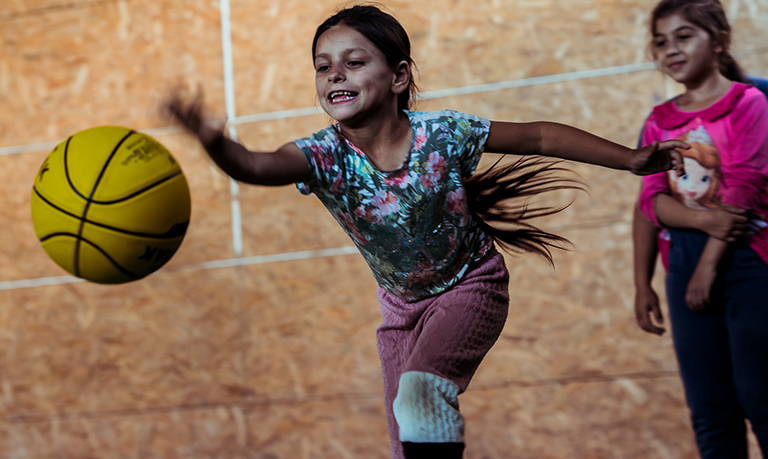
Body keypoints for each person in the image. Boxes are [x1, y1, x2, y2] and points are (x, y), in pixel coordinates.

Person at [164, 5, 685, 459]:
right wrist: (213, 139)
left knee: (419, 394)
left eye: (353, 61)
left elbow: (541, 135)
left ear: (398, 76)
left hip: (470, 286)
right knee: (405, 436)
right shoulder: (323, 156)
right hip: (401, 310)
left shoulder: (443, 134)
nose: (334, 75)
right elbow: (255, 166)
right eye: (323, 66)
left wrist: (632, 158)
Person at [631, 0, 768, 457]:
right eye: (661, 41)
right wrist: (642, 283)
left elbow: (745, 189)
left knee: (761, 395)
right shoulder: (658, 122)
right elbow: (651, 201)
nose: (671, 48)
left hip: (747, 260)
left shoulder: (749, 103)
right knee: (711, 410)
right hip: (683, 263)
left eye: (684, 36)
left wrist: (709, 267)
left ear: (719, 40)